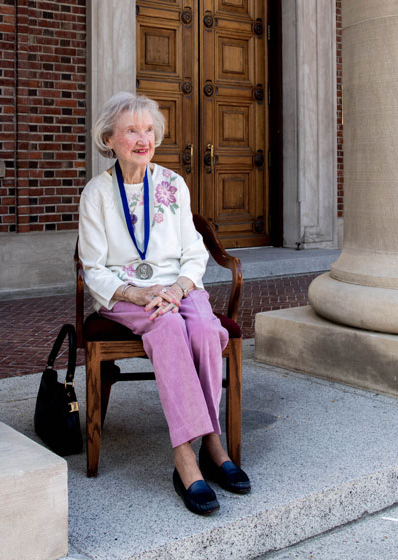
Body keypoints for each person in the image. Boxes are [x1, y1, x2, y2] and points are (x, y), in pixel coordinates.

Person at [78, 92, 251, 515]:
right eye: (132, 130)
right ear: (110, 139)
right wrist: (136, 293)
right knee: (170, 328)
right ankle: (187, 458)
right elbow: (93, 266)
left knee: (209, 329)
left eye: (149, 129)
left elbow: (194, 251)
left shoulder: (172, 183)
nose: (143, 138)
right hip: (126, 293)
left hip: (178, 286)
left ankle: (209, 439)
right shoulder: (97, 193)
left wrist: (179, 289)